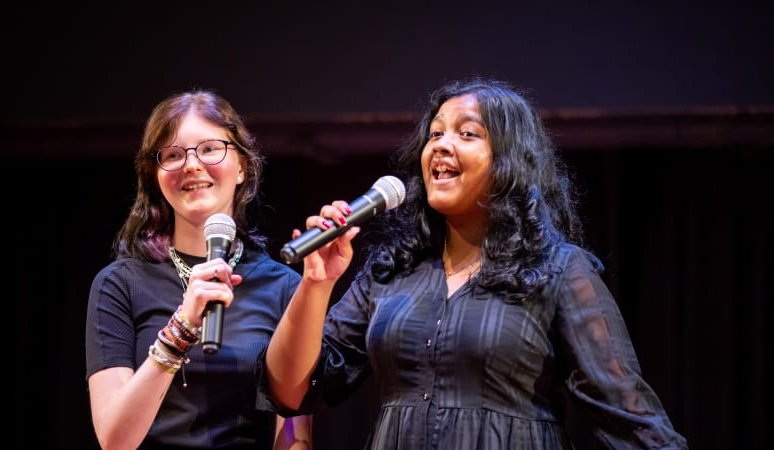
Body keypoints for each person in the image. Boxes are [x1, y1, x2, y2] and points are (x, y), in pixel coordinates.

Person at [265, 78, 688, 449]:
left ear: (508, 162)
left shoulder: (559, 269)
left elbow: (627, 415)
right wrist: (316, 284)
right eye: (434, 135)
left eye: (467, 134)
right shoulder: (390, 272)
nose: (441, 145)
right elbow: (293, 392)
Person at [85, 90, 312, 449]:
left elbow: (294, 433)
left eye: (209, 149)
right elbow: (115, 439)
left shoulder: (283, 286)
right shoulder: (120, 283)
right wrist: (182, 326)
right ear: (156, 177)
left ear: (242, 167)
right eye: (173, 155)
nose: (191, 165)